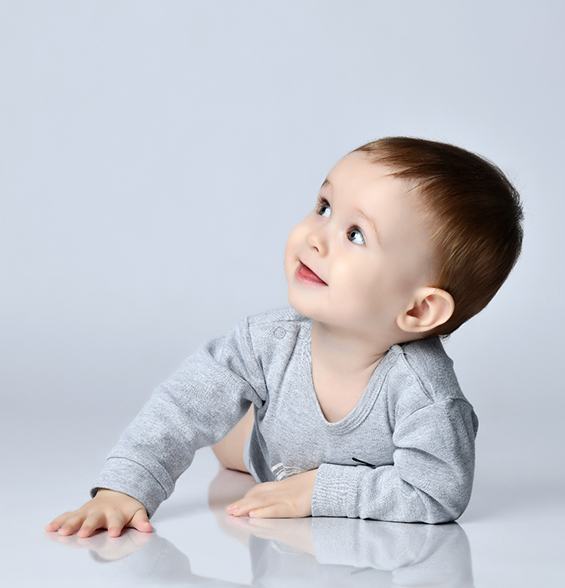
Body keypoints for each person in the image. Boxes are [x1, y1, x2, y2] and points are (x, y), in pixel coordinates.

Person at [45, 136, 524, 537]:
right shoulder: (266, 341)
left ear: (419, 308)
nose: (316, 237)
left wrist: (318, 492)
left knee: (238, 427)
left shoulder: (426, 397)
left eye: (356, 234)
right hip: (266, 445)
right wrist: (125, 486)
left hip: (297, 468)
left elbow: (438, 491)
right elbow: (182, 405)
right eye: (324, 206)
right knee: (218, 424)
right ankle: (239, 424)